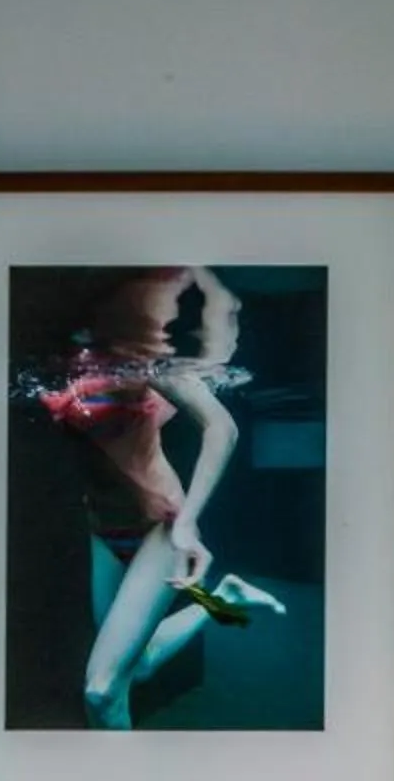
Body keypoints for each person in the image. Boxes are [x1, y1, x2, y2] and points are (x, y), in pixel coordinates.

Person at [31, 267, 283, 729]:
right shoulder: (69, 359)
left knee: (102, 691)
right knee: (140, 664)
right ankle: (223, 597)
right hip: (103, 532)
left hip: (160, 529)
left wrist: (187, 523)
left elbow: (222, 428)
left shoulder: (144, 360)